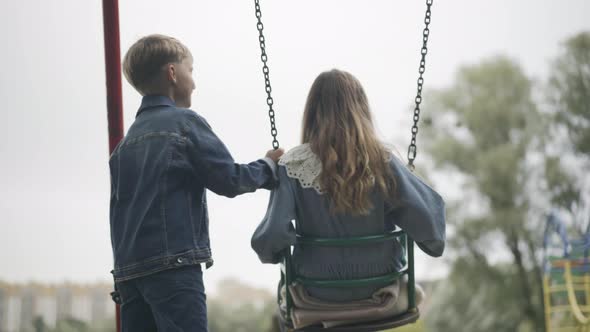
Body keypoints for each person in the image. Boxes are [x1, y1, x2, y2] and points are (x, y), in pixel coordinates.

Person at [109, 34, 284, 332]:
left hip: (129, 274)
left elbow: (119, 212)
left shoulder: (124, 146)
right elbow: (230, 179)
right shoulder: (184, 123)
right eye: (191, 70)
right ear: (173, 73)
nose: (194, 81)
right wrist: (269, 166)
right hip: (173, 269)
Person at [251, 69, 445, 328]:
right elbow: (431, 230)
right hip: (381, 295)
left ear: (312, 113)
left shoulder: (292, 166)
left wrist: (272, 251)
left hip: (316, 297)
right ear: (361, 109)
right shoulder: (382, 161)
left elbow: (272, 238)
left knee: (285, 306)